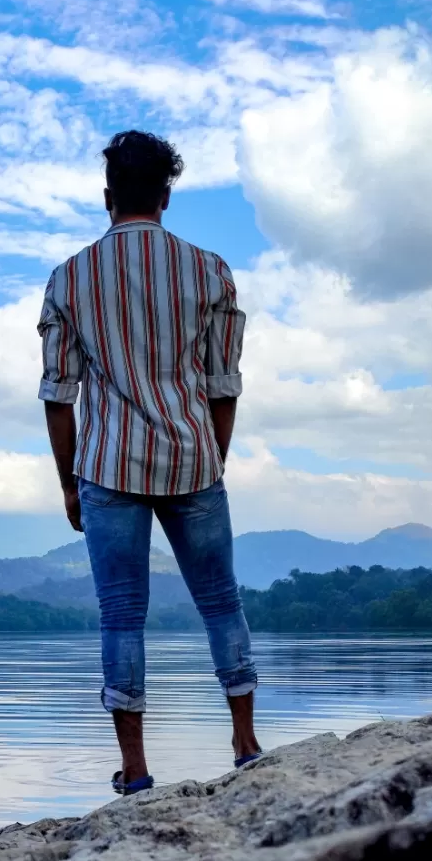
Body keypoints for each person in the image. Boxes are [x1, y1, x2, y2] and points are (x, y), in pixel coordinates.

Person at [38, 129, 261, 795]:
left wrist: (70, 484)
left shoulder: (70, 279)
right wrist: (212, 459)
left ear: (108, 197)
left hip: (107, 466)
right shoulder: (210, 271)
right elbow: (224, 384)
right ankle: (246, 743)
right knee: (222, 603)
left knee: (121, 616)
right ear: (166, 196)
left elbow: (58, 395)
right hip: (194, 458)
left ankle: (135, 771)